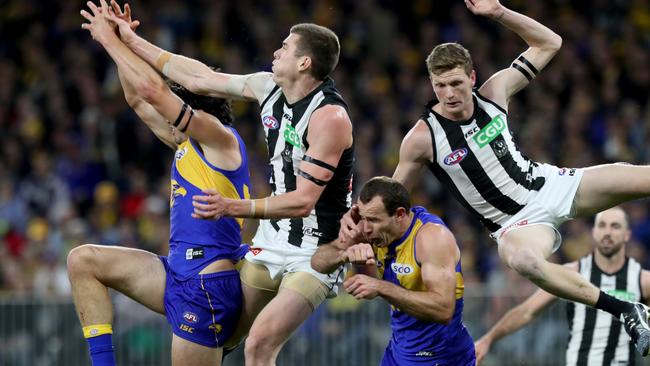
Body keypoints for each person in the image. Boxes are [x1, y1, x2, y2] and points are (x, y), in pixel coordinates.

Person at [334, 0, 650, 356]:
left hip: (552, 184)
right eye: (440, 86)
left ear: (471, 77)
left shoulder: (495, 92)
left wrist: (499, 13)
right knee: (526, 263)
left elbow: (550, 43)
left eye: (456, 83)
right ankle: (626, 309)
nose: (449, 94)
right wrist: (356, 223)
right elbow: (390, 198)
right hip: (514, 223)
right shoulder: (423, 138)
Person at [106, 2, 354, 365]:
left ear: (304, 63)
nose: (276, 50)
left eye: (285, 46)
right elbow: (198, 78)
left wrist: (233, 207)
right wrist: (132, 40)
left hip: (313, 251)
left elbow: (303, 201)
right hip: (271, 242)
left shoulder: (329, 117)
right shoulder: (268, 87)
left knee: (259, 345)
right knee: (223, 334)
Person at [68, 2, 251, 365]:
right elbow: (138, 97)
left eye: (175, 102)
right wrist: (123, 39)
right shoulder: (187, 144)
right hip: (178, 273)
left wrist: (109, 41)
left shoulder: (220, 137)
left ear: (189, 106)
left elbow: (153, 92)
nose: (164, 114)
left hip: (206, 285)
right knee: (83, 260)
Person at [312, 176, 475, 365]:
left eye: (373, 219)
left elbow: (443, 309)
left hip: (441, 357)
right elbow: (317, 262)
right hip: (398, 352)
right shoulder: (371, 232)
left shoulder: (431, 238)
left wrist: (381, 287)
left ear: (399, 214)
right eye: (363, 218)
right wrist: (343, 255)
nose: (365, 228)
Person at [474, 206, 650, 365]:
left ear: (627, 234)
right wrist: (488, 339)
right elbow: (527, 311)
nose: (608, 232)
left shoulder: (643, 280)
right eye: (602, 225)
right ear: (594, 232)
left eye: (615, 226)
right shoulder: (572, 273)